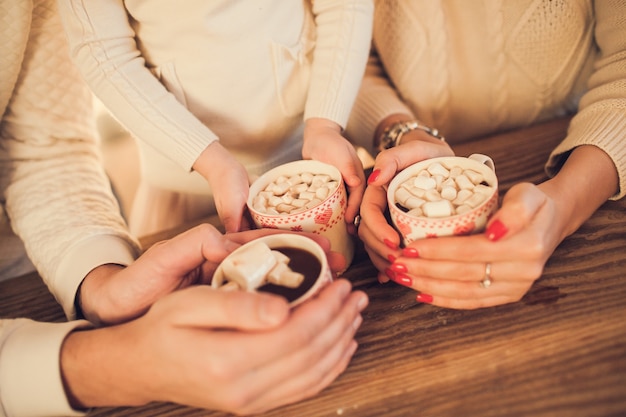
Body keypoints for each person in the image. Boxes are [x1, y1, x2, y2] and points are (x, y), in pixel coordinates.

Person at [0, 1, 368, 415]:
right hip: (178, 195)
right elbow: (102, 53)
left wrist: (99, 284)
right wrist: (207, 159)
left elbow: (42, 149)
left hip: (301, 159)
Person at [344, 0, 625, 310]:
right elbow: (345, 60)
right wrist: (402, 134)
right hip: (421, 149)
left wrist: (565, 205)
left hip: (570, 152)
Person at [56, 0, 373, 237]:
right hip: (182, 187)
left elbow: (343, 6)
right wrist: (210, 160)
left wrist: (324, 124)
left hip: (308, 156)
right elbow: (103, 55)